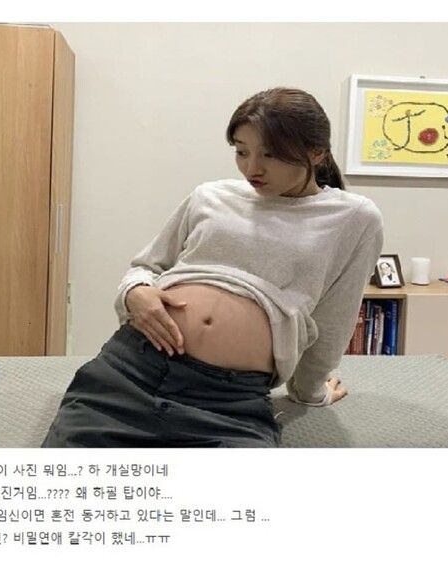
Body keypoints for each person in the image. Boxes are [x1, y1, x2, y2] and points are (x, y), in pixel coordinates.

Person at [41, 87, 384, 448]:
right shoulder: (210, 195)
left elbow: (334, 318)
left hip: (229, 400)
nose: (252, 168)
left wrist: (310, 391)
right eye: (241, 151)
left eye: (270, 154)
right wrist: (135, 293)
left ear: (316, 153)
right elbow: (145, 267)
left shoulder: (354, 218)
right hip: (133, 368)